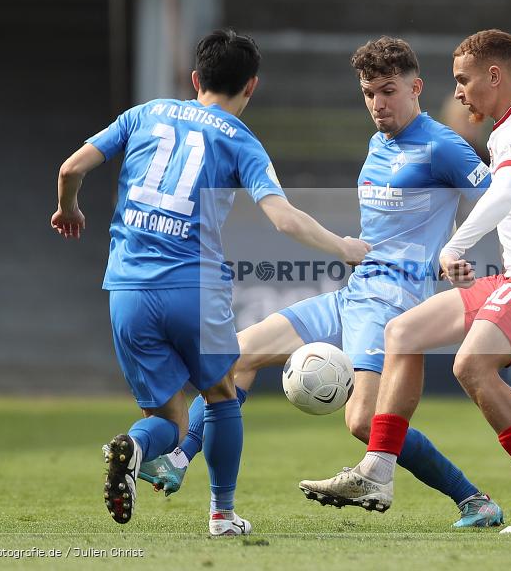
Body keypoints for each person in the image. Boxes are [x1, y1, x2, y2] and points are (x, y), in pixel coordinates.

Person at [140, 36, 506, 529]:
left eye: (389, 91)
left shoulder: (442, 145)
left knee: (363, 423)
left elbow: (499, 196)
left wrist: (457, 250)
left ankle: (474, 500)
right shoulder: (379, 143)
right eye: (369, 92)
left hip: (391, 304)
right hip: (354, 293)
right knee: (237, 356)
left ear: (416, 88)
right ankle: (180, 461)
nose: (378, 103)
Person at [50, 29, 370, 536]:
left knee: (167, 420)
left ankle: (134, 446)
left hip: (128, 290)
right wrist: (344, 247)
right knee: (221, 395)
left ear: (196, 78)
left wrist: (68, 208)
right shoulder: (242, 141)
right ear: (252, 87)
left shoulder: (144, 114)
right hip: (193, 288)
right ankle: (221, 515)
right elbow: (284, 220)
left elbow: (70, 168)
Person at [297, 29, 511, 535]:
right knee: (403, 334)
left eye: (464, 80)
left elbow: (499, 198)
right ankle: (378, 471)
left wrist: (453, 247)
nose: (458, 93)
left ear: (493, 76)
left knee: (473, 368)